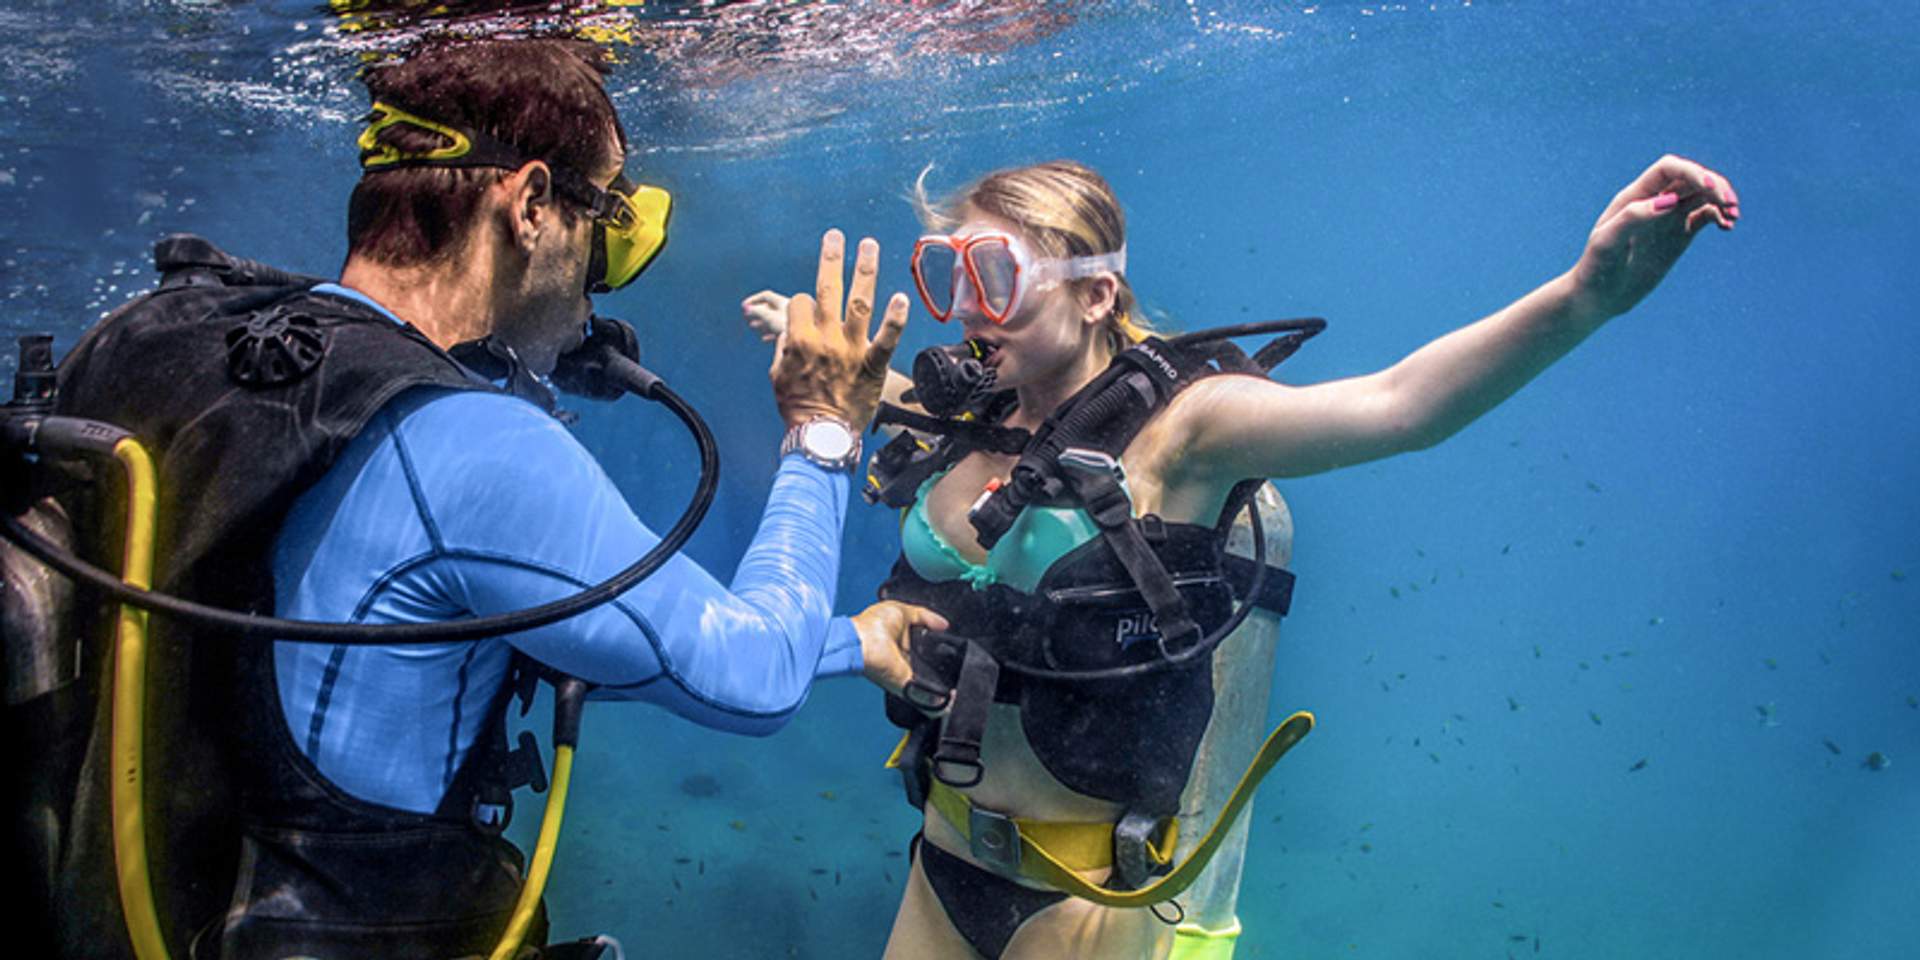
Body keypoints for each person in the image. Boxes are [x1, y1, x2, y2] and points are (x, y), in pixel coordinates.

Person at [18, 39, 940, 960]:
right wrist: (823, 431)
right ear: (532, 204)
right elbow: (755, 678)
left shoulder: (176, 344)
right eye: (609, 225)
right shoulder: (471, 446)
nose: (601, 279)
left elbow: (354, 633)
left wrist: (852, 640)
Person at [745, 154, 1738, 958]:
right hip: (941, 861)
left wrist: (1584, 295)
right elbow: (864, 407)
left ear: (1097, 296)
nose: (964, 309)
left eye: (994, 277)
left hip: (1086, 898)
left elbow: (1399, 405)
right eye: (946, 277)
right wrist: (809, 351)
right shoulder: (964, 420)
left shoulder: (1190, 435)